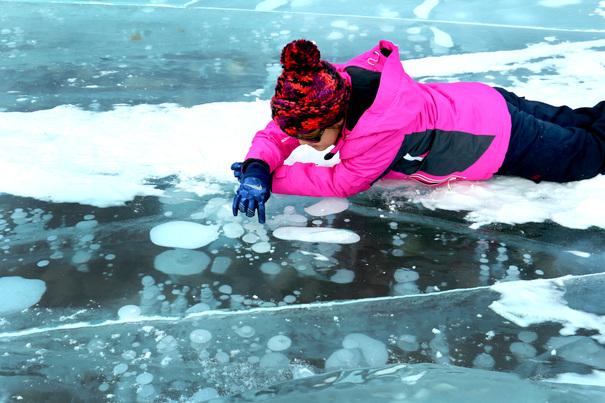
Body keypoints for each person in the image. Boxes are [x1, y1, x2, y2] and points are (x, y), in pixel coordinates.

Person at [232, 39, 605, 223]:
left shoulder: (374, 134)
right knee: (574, 121)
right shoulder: (339, 88)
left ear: (333, 120)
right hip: (479, 101)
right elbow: (280, 131)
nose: (299, 143)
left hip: (504, 139)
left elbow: (341, 183)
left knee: (589, 155)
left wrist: (275, 181)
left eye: (310, 138)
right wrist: (257, 168)